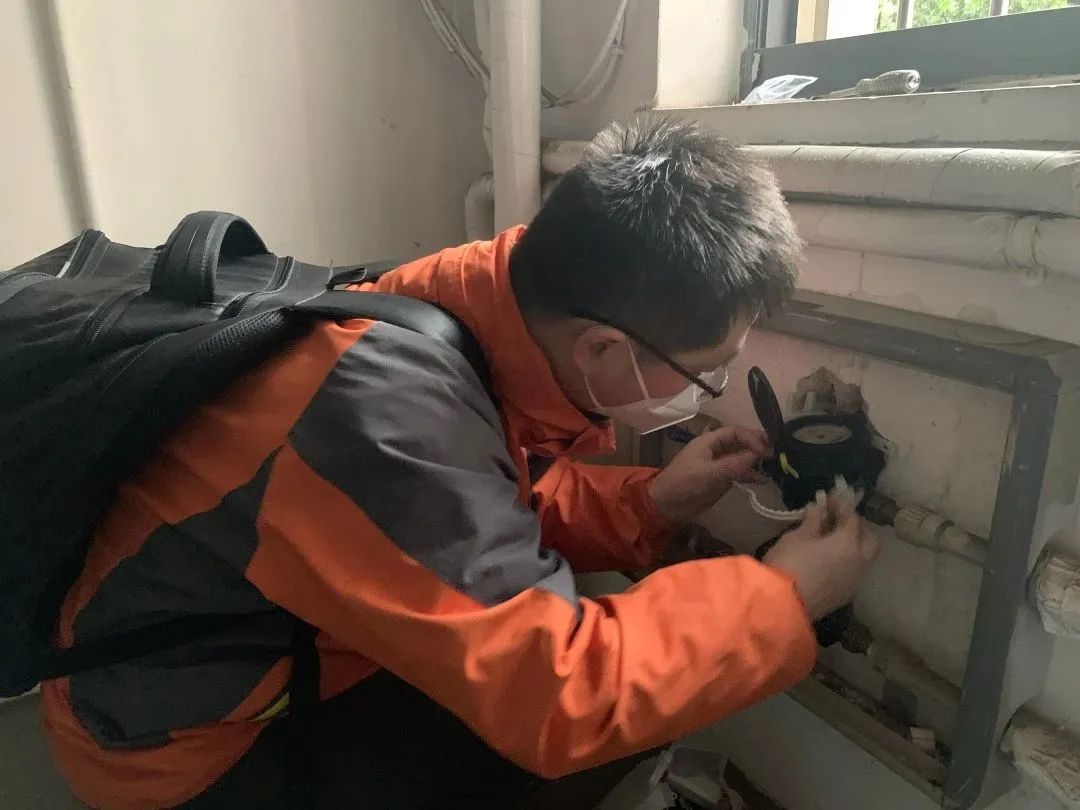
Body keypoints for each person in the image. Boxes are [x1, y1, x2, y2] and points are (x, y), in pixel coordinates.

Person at [41, 117, 879, 809]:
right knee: (597, 727)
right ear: (602, 349)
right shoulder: (378, 416)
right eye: (707, 372)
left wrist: (651, 502)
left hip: (273, 649)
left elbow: (468, 507)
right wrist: (786, 598)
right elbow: (564, 700)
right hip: (178, 749)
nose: (711, 391)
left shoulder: (474, 297)